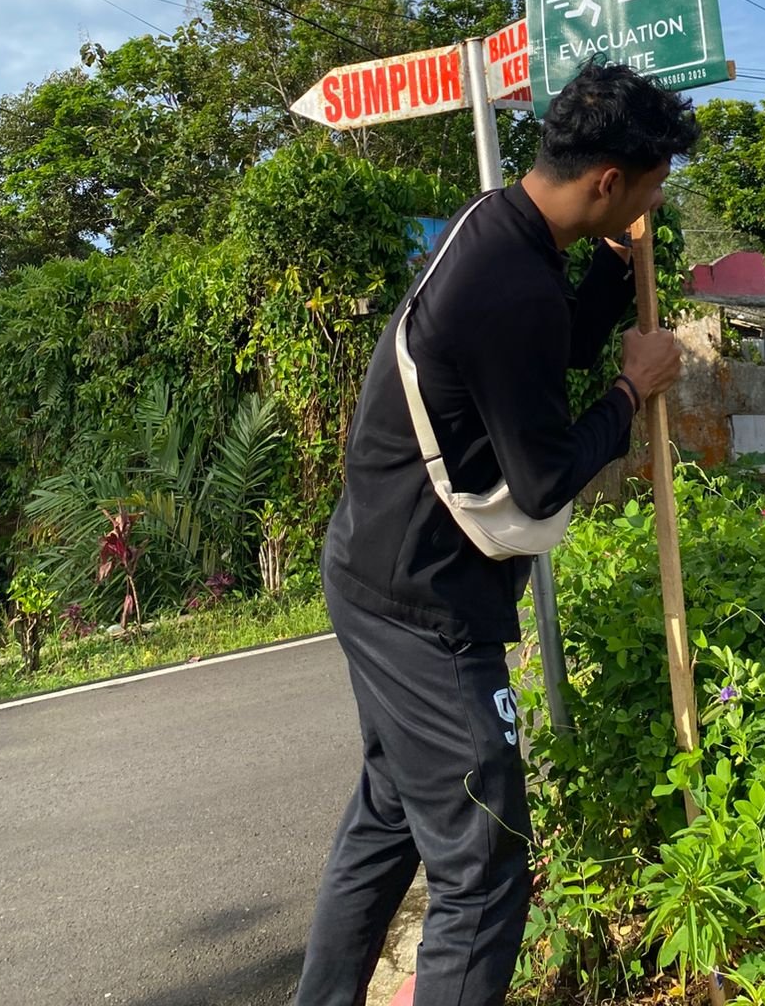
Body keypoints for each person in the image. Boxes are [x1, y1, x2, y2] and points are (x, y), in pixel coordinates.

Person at [293, 61, 697, 1006]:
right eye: (649, 188)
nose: (650, 204)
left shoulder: (499, 227)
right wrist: (633, 388)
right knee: (483, 862)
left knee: (392, 810)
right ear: (609, 183)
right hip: (422, 606)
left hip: (375, 564)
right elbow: (546, 474)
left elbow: (538, 346)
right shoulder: (506, 281)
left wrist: (610, 270)